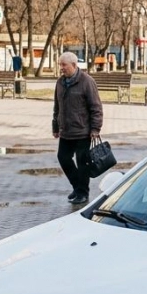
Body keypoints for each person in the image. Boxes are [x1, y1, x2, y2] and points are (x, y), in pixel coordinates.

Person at [53, 53, 103, 204]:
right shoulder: (60, 82)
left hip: (83, 131)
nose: (61, 68)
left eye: (64, 65)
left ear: (74, 65)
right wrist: (55, 126)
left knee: (82, 163)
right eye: (60, 64)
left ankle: (83, 193)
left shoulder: (87, 81)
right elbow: (57, 106)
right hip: (66, 131)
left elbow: (96, 107)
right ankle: (77, 187)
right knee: (63, 158)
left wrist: (95, 129)